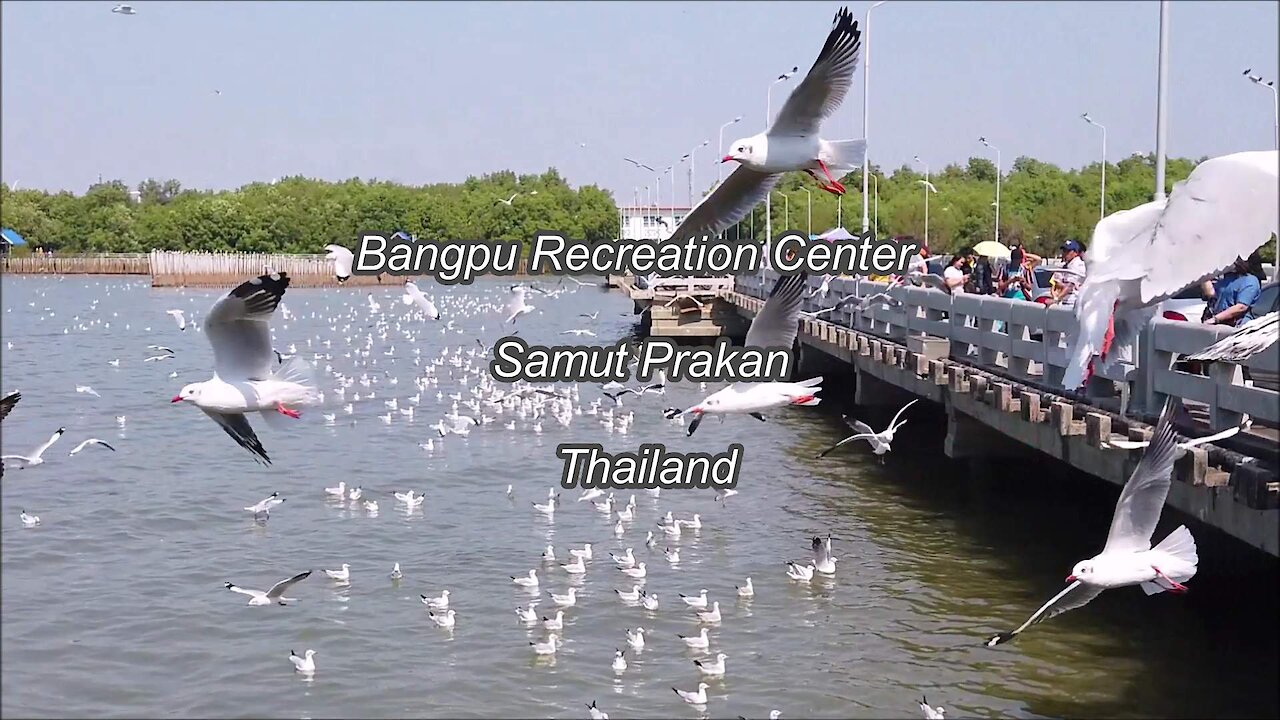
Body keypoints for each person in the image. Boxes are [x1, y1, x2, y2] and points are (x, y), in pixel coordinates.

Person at [1202, 251, 1265, 327]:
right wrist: (1204, 274)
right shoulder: (1226, 279)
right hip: (1219, 325)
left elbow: (1241, 307)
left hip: (1237, 326)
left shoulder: (1250, 281)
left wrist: (1216, 319)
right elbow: (1211, 294)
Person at [1049, 239, 1087, 307]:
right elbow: (1055, 283)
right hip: (1064, 301)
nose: (1065, 253)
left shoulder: (1078, 264)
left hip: (1073, 302)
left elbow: (1069, 286)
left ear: (1075, 252)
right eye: (1064, 251)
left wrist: (1056, 299)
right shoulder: (1064, 265)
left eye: (1068, 251)